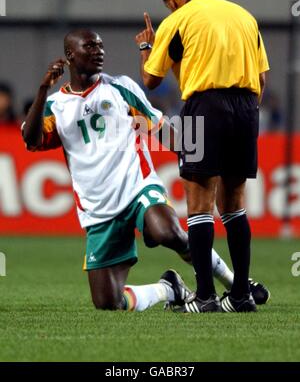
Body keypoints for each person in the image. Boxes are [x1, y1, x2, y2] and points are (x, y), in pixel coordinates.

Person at [22, 29, 268, 312]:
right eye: (89, 46)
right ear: (70, 55)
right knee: (108, 303)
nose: (98, 51)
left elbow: (159, 128)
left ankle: (235, 282)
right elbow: (32, 140)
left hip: (136, 186)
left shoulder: (120, 88)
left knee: (169, 233)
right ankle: (169, 289)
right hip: (97, 207)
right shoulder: (55, 105)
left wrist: (201, 153)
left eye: (101, 46)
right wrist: (42, 90)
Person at [135, 0, 270, 313]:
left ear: (171, 0)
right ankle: (240, 295)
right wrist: (243, 112)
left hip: (202, 108)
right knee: (234, 205)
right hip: (246, 107)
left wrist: (146, 47)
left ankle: (206, 297)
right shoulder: (243, 15)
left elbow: (151, 80)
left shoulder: (176, 20)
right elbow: (262, 77)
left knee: (198, 204)